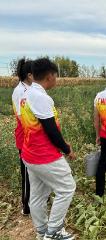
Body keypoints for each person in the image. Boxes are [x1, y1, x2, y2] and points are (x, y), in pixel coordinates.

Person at [20, 58, 76, 240]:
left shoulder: (28, 93)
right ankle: (53, 232)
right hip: (44, 155)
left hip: (30, 153)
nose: (56, 79)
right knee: (67, 187)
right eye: (56, 76)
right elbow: (50, 129)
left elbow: (44, 128)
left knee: (37, 195)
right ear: (50, 76)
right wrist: (66, 149)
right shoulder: (41, 97)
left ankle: (42, 231)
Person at [12, 58, 33, 215]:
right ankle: (26, 205)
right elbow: (22, 118)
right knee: (26, 172)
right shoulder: (19, 91)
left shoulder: (31, 88)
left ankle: (37, 200)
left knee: (36, 171)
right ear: (30, 75)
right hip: (25, 136)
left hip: (32, 135)